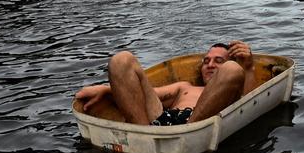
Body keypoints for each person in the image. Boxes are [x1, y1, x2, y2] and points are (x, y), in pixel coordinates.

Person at [74, 41, 257, 126]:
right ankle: (143, 135)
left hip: (195, 125)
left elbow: (249, 102)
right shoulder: (185, 86)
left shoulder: (233, 84)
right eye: (206, 61)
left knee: (233, 69)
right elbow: (139, 95)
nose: (210, 65)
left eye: (218, 61)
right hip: (162, 122)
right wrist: (106, 90)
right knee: (121, 60)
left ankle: (188, 133)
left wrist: (248, 68)